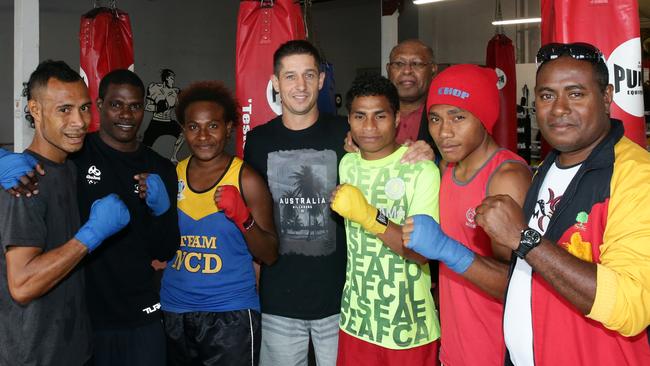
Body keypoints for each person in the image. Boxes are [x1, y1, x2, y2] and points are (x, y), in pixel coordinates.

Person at [474, 42, 650, 365]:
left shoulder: (636, 176)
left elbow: (631, 304)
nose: (558, 109)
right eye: (547, 95)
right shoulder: (548, 167)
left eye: (576, 94)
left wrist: (523, 238)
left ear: (607, 97)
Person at [0, 69, 180, 365]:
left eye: (81, 109)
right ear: (102, 105)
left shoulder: (71, 163)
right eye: (65, 110)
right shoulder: (38, 175)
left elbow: (166, 248)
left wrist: (161, 212)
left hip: (98, 329)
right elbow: (22, 284)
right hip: (60, 336)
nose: (78, 122)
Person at [402, 64, 531, 366]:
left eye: (458, 117)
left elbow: (520, 285)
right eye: (435, 119)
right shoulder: (446, 167)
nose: (444, 132)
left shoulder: (506, 178)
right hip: (455, 348)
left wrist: (447, 250)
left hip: (496, 352)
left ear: (484, 117)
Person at [244, 40, 349, 366]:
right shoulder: (259, 141)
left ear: (321, 79)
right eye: (290, 76)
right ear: (276, 83)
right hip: (280, 300)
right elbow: (256, 218)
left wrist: (421, 151)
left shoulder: (348, 132)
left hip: (342, 300)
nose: (300, 86)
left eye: (308, 75)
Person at [160, 80, 278, 365]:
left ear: (228, 129)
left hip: (230, 315)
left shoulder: (246, 179)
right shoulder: (171, 174)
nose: (203, 136)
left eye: (212, 126)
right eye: (193, 126)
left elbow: (270, 254)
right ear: (183, 130)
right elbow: (159, 243)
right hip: (175, 309)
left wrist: (244, 218)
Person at [331, 73, 440, 365]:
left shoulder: (421, 170)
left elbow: (420, 254)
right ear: (349, 121)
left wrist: (368, 215)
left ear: (396, 118)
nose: (368, 127)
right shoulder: (348, 163)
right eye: (359, 116)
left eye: (380, 116)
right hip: (356, 322)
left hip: (408, 328)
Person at [143, 68, 181, 147]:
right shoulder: (154, 88)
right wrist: (160, 107)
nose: (173, 81)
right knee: (145, 145)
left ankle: (174, 157)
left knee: (184, 134)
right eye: (171, 79)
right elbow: (147, 107)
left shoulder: (174, 92)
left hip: (168, 122)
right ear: (167, 78)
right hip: (156, 122)